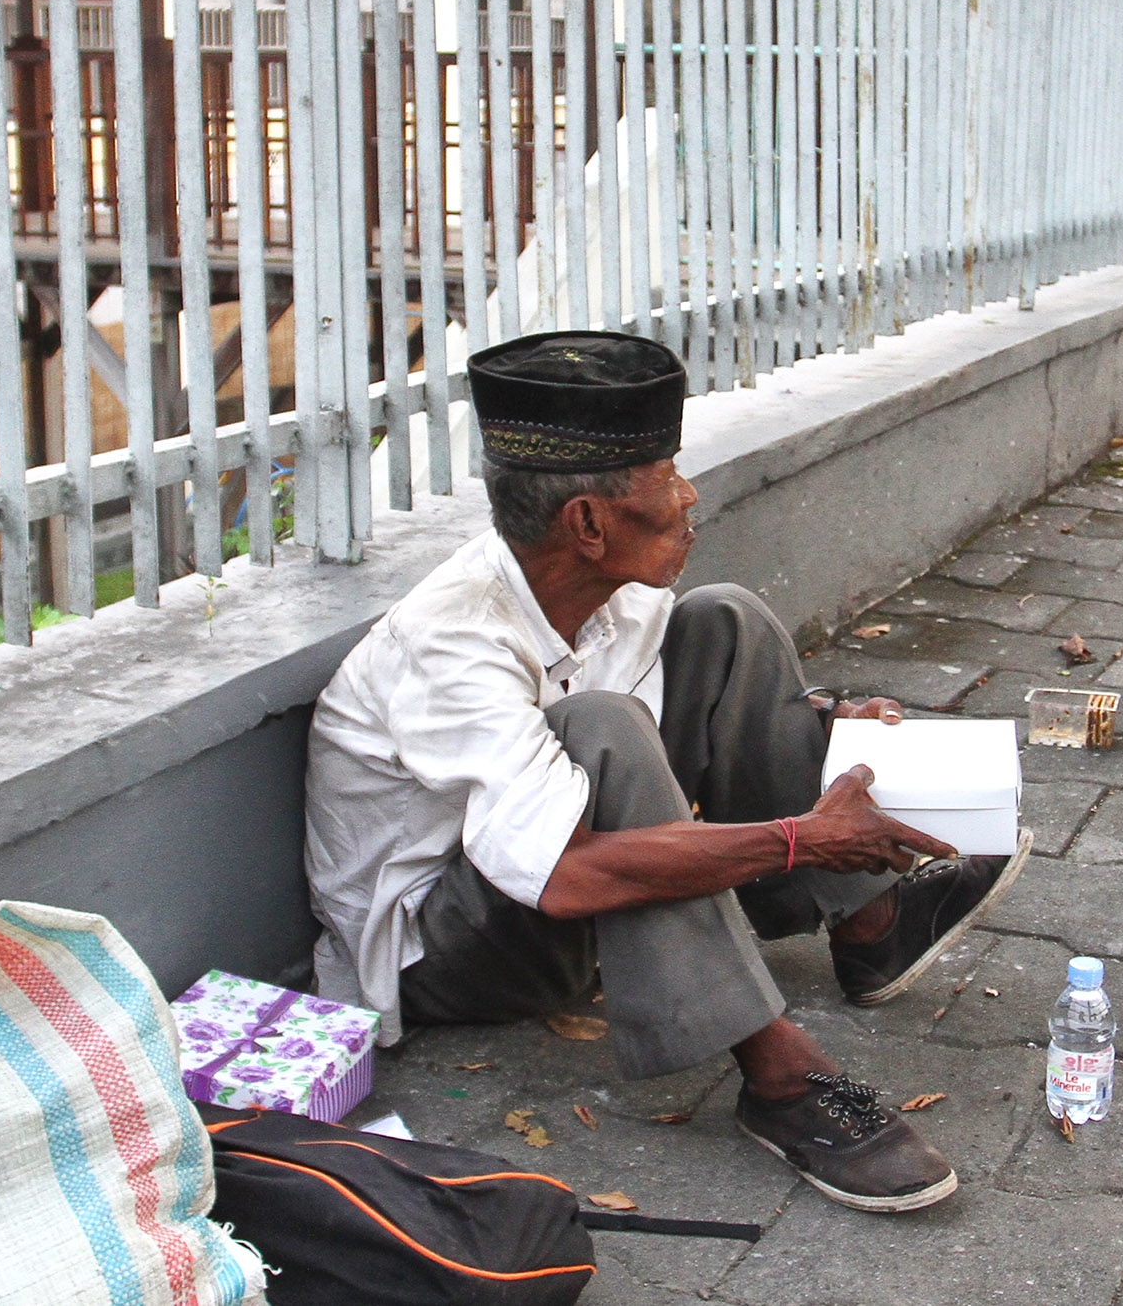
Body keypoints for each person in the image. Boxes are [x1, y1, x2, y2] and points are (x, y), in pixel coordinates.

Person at [303, 330, 1030, 1214]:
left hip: (546, 872)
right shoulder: (451, 644)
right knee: (602, 727)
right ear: (588, 524)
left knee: (725, 621)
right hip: (449, 951)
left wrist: (825, 726)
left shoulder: (615, 591)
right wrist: (800, 838)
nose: (691, 498)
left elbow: (676, 712)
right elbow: (568, 876)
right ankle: (778, 1076)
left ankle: (869, 928)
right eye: (665, 482)